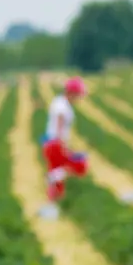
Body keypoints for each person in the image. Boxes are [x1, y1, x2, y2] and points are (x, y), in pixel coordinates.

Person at [39, 77, 90, 219]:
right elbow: (60, 127)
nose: (79, 98)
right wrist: (63, 146)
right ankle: (52, 201)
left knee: (59, 173)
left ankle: (54, 203)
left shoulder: (60, 102)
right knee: (76, 167)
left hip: (54, 143)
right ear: (71, 93)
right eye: (78, 94)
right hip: (55, 144)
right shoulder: (62, 106)